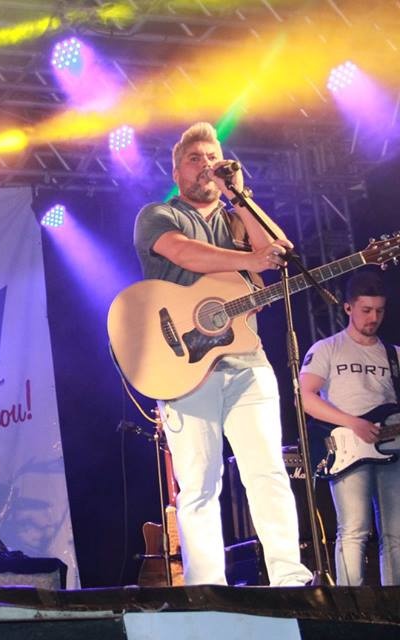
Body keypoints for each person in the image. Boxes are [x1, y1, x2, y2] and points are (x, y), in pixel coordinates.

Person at [133, 122, 313, 586]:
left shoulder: (237, 216)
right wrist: (250, 261)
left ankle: (290, 580)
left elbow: (276, 251)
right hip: (184, 367)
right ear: (177, 171)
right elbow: (184, 253)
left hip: (248, 360)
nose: (206, 165)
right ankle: (208, 590)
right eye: (195, 159)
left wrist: (241, 198)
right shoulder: (158, 214)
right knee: (198, 485)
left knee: (268, 471)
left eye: (213, 158)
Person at [300, 270, 400, 585]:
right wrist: (353, 423)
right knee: (354, 529)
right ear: (348, 308)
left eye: (379, 310)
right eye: (366, 310)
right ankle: (350, 603)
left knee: (395, 534)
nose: (374, 318)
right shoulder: (327, 348)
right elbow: (305, 398)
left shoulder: (394, 354)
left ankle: (393, 604)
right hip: (347, 448)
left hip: (391, 449)